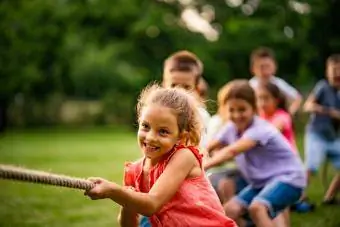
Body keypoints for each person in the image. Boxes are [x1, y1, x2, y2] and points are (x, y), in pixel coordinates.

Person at [84, 84, 237, 227]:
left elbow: (152, 204)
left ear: (181, 137)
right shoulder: (134, 171)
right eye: (145, 126)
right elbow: (128, 224)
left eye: (163, 131)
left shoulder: (184, 157)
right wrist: (126, 201)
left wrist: (114, 191)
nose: (150, 137)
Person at [204, 80, 306, 227]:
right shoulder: (231, 127)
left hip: (289, 179)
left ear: (254, 108)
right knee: (230, 209)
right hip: (262, 183)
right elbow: (209, 146)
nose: (237, 115)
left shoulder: (260, 128)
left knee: (257, 208)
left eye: (242, 109)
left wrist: (204, 166)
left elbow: (231, 151)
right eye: (231, 110)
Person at [303, 54, 340, 205]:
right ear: (327, 72)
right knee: (311, 167)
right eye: (334, 70)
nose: (337, 74)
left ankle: (329, 197)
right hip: (316, 134)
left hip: (334, 138)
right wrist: (329, 111)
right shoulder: (322, 87)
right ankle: (298, 198)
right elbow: (308, 106)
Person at [162, 50, 211, 151]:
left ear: (197, 88)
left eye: (186, 87)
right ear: (164, 84)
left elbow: (200, 152)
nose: (179, 92)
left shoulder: (200, 117)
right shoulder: (157, 112)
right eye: (173, 85)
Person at [249, 47, 302, 116]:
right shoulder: (250, 86)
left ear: (275, 67)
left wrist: (287, 115)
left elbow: (297, 98)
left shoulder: (278, 83)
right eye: (261, 67)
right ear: (253, 69)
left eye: (268, 66)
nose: (265, 71)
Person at [256, 82, 298, 153]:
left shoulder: (283, 117)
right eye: (259, 98)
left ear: (276, 100)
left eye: (266, 98)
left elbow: (270, 134)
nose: (262, 103)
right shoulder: (259, 117)